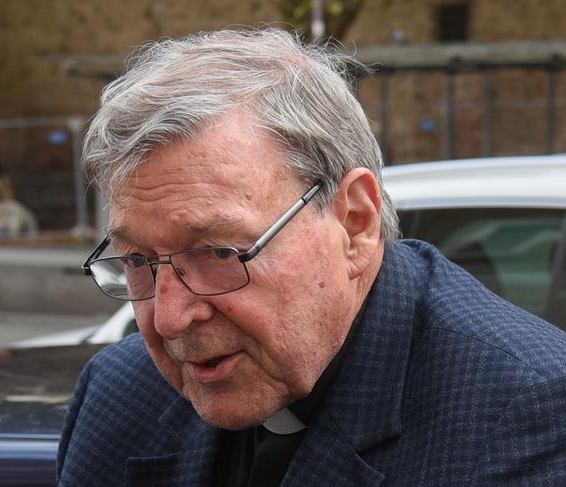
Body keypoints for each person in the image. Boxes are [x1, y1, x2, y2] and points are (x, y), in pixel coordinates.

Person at [57, 28, 566, 486]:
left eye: (218, 252)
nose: (170, 318)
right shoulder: (117, 394)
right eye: (138, 260)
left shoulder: (524, 414)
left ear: (354, 222)